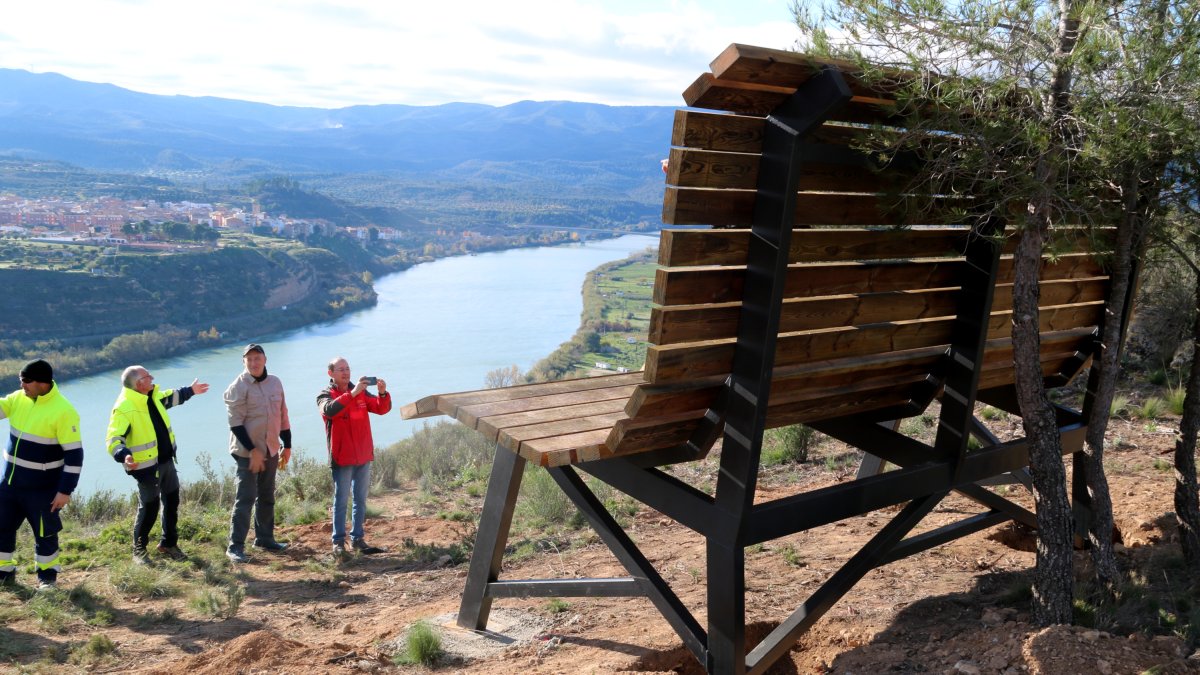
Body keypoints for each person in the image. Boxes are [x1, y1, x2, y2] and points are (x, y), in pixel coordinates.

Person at [107, 365, 209, 564]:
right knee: (149, 508)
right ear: (139, 383)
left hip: (166, 461)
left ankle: (168, 544)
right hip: (144, 467)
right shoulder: (124, 407)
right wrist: (123, 455)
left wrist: (191, 391)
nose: (152, 378)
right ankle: (139, 551)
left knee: (172, 502)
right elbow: (114, 438)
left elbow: (170, 396)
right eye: (148, 376)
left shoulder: (151, 396)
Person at [0, 360, 82, 590]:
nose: (21, 384)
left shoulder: (64, 411)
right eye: (21, 380)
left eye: (25, 381)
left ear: (41, 383)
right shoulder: (18, 398)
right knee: (1, 527)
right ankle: (3, 573)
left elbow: (75, 457)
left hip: (42, 489)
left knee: (45, 534)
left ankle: (47, 580)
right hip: (9, 484)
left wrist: (65, 491)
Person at [223, 343, 292, 563]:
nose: (253, 363)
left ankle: (264, 538)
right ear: (243, 362)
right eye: (249, 359)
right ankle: (235, 547)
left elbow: (283, 415)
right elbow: (235, 423)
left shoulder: (275, 383)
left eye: (257, 358)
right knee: (245, 498)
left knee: (267, 496)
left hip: (271, 448)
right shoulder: (237, 387)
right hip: (246, 453)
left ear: (265, 360)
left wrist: (287, 445)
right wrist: (252, 451)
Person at [317, 357, 391, 557]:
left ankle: (358, 539)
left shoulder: (360, 391)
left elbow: (381, 408)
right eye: (341, 369)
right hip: (342, 458)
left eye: (347, 368)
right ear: (330, 373)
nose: (345, 372)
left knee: (360, 499)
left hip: (363, 455)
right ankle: (338, 542)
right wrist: (353, 393)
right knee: (340, 500)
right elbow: (329, 410)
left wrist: (382, 393)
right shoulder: (326, 394)